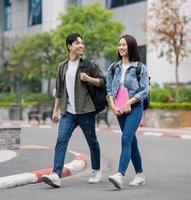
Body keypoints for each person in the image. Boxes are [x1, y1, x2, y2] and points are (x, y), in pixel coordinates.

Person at [42, 33, 105, 188]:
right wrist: (55, 110)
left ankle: (96, 170)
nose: (81, 46)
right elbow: (59, 91)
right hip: (68, 112)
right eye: (77, 43)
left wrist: (89, 78)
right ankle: (56, 174)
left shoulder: (89, 64)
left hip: (86, 111)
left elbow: (102, 81)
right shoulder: (62, 67)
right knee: (61, 140)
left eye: (82, 43)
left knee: (92, 141)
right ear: (69, 46)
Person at [106, 34, 149, 189]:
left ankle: (120, 174)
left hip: (134, 108)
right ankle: (140, 175)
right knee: (131, 141)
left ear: (131, 46)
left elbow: (144, 90)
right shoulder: (113, 67)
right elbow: (109, 89)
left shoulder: (140, 68)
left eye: (124, 44)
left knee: (125, 139)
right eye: (119, 45)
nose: (121, 47)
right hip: (119, 109)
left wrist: (129, 103)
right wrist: (113, 105)